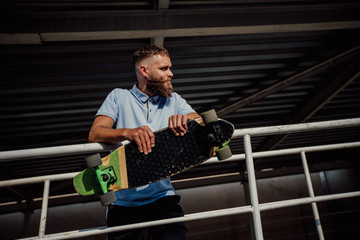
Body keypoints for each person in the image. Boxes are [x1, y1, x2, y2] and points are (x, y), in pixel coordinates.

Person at [88, 44, 201, 240]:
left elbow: (200, 120)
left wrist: (187, 120)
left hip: (164, 199)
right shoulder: (118, 96)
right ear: (144, 71)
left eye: (170, 68)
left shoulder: (174, 100)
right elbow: (95, 133)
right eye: (164, 68)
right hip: (123, 205)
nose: (171, 74)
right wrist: (128, 133)